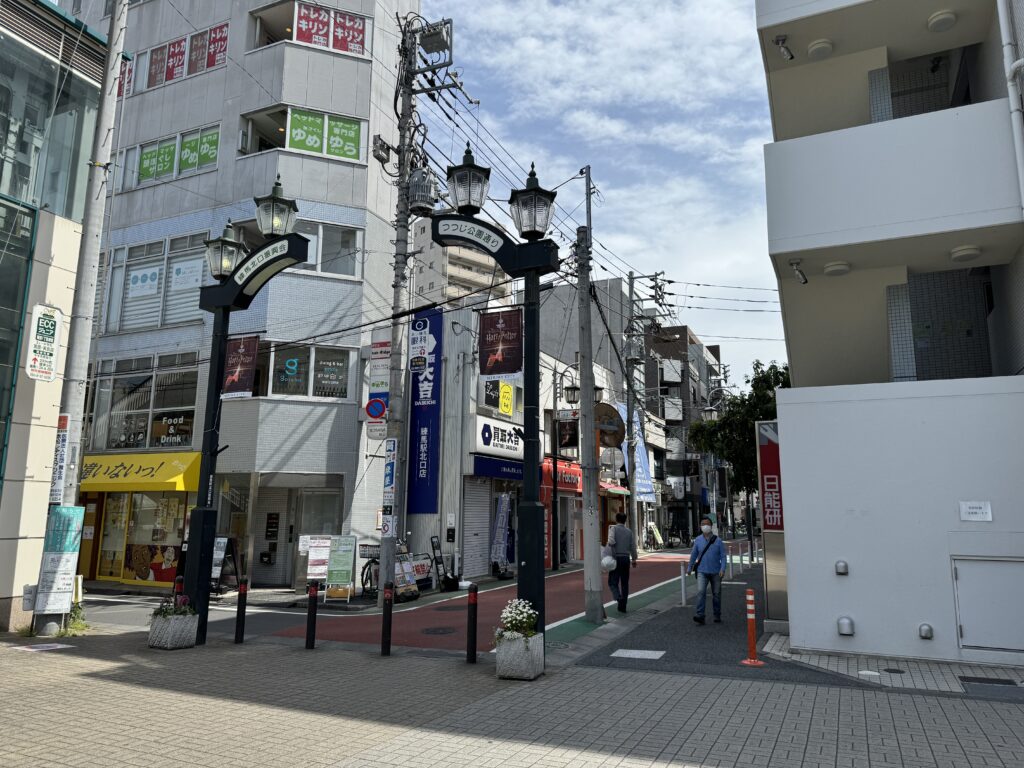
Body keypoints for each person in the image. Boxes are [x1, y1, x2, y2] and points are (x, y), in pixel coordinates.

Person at [687, 517, 726, 624]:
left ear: (711, 526)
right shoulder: (698, 540)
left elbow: (723, 556)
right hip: (702, 571)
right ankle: (700, 615)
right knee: (700, 592)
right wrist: (689, 567)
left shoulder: (718, 541)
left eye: (707, 524)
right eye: (702, 524)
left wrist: (723, 568)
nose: (705, 526)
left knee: (717, 594)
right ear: (700, 526)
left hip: (716, 572)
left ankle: (717, 615)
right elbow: (694, 554)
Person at [607, 511, 638, 613]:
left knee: (612, 582)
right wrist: (634, 559)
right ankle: (623, 606)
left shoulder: (613, 529)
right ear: (625, 521)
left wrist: (610, 548)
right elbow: (633, 546)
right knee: (625, 583)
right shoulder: (629, 532)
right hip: (626, 559)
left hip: (616, 558)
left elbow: (611, 541)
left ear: (616, 520)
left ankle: (618, 597)